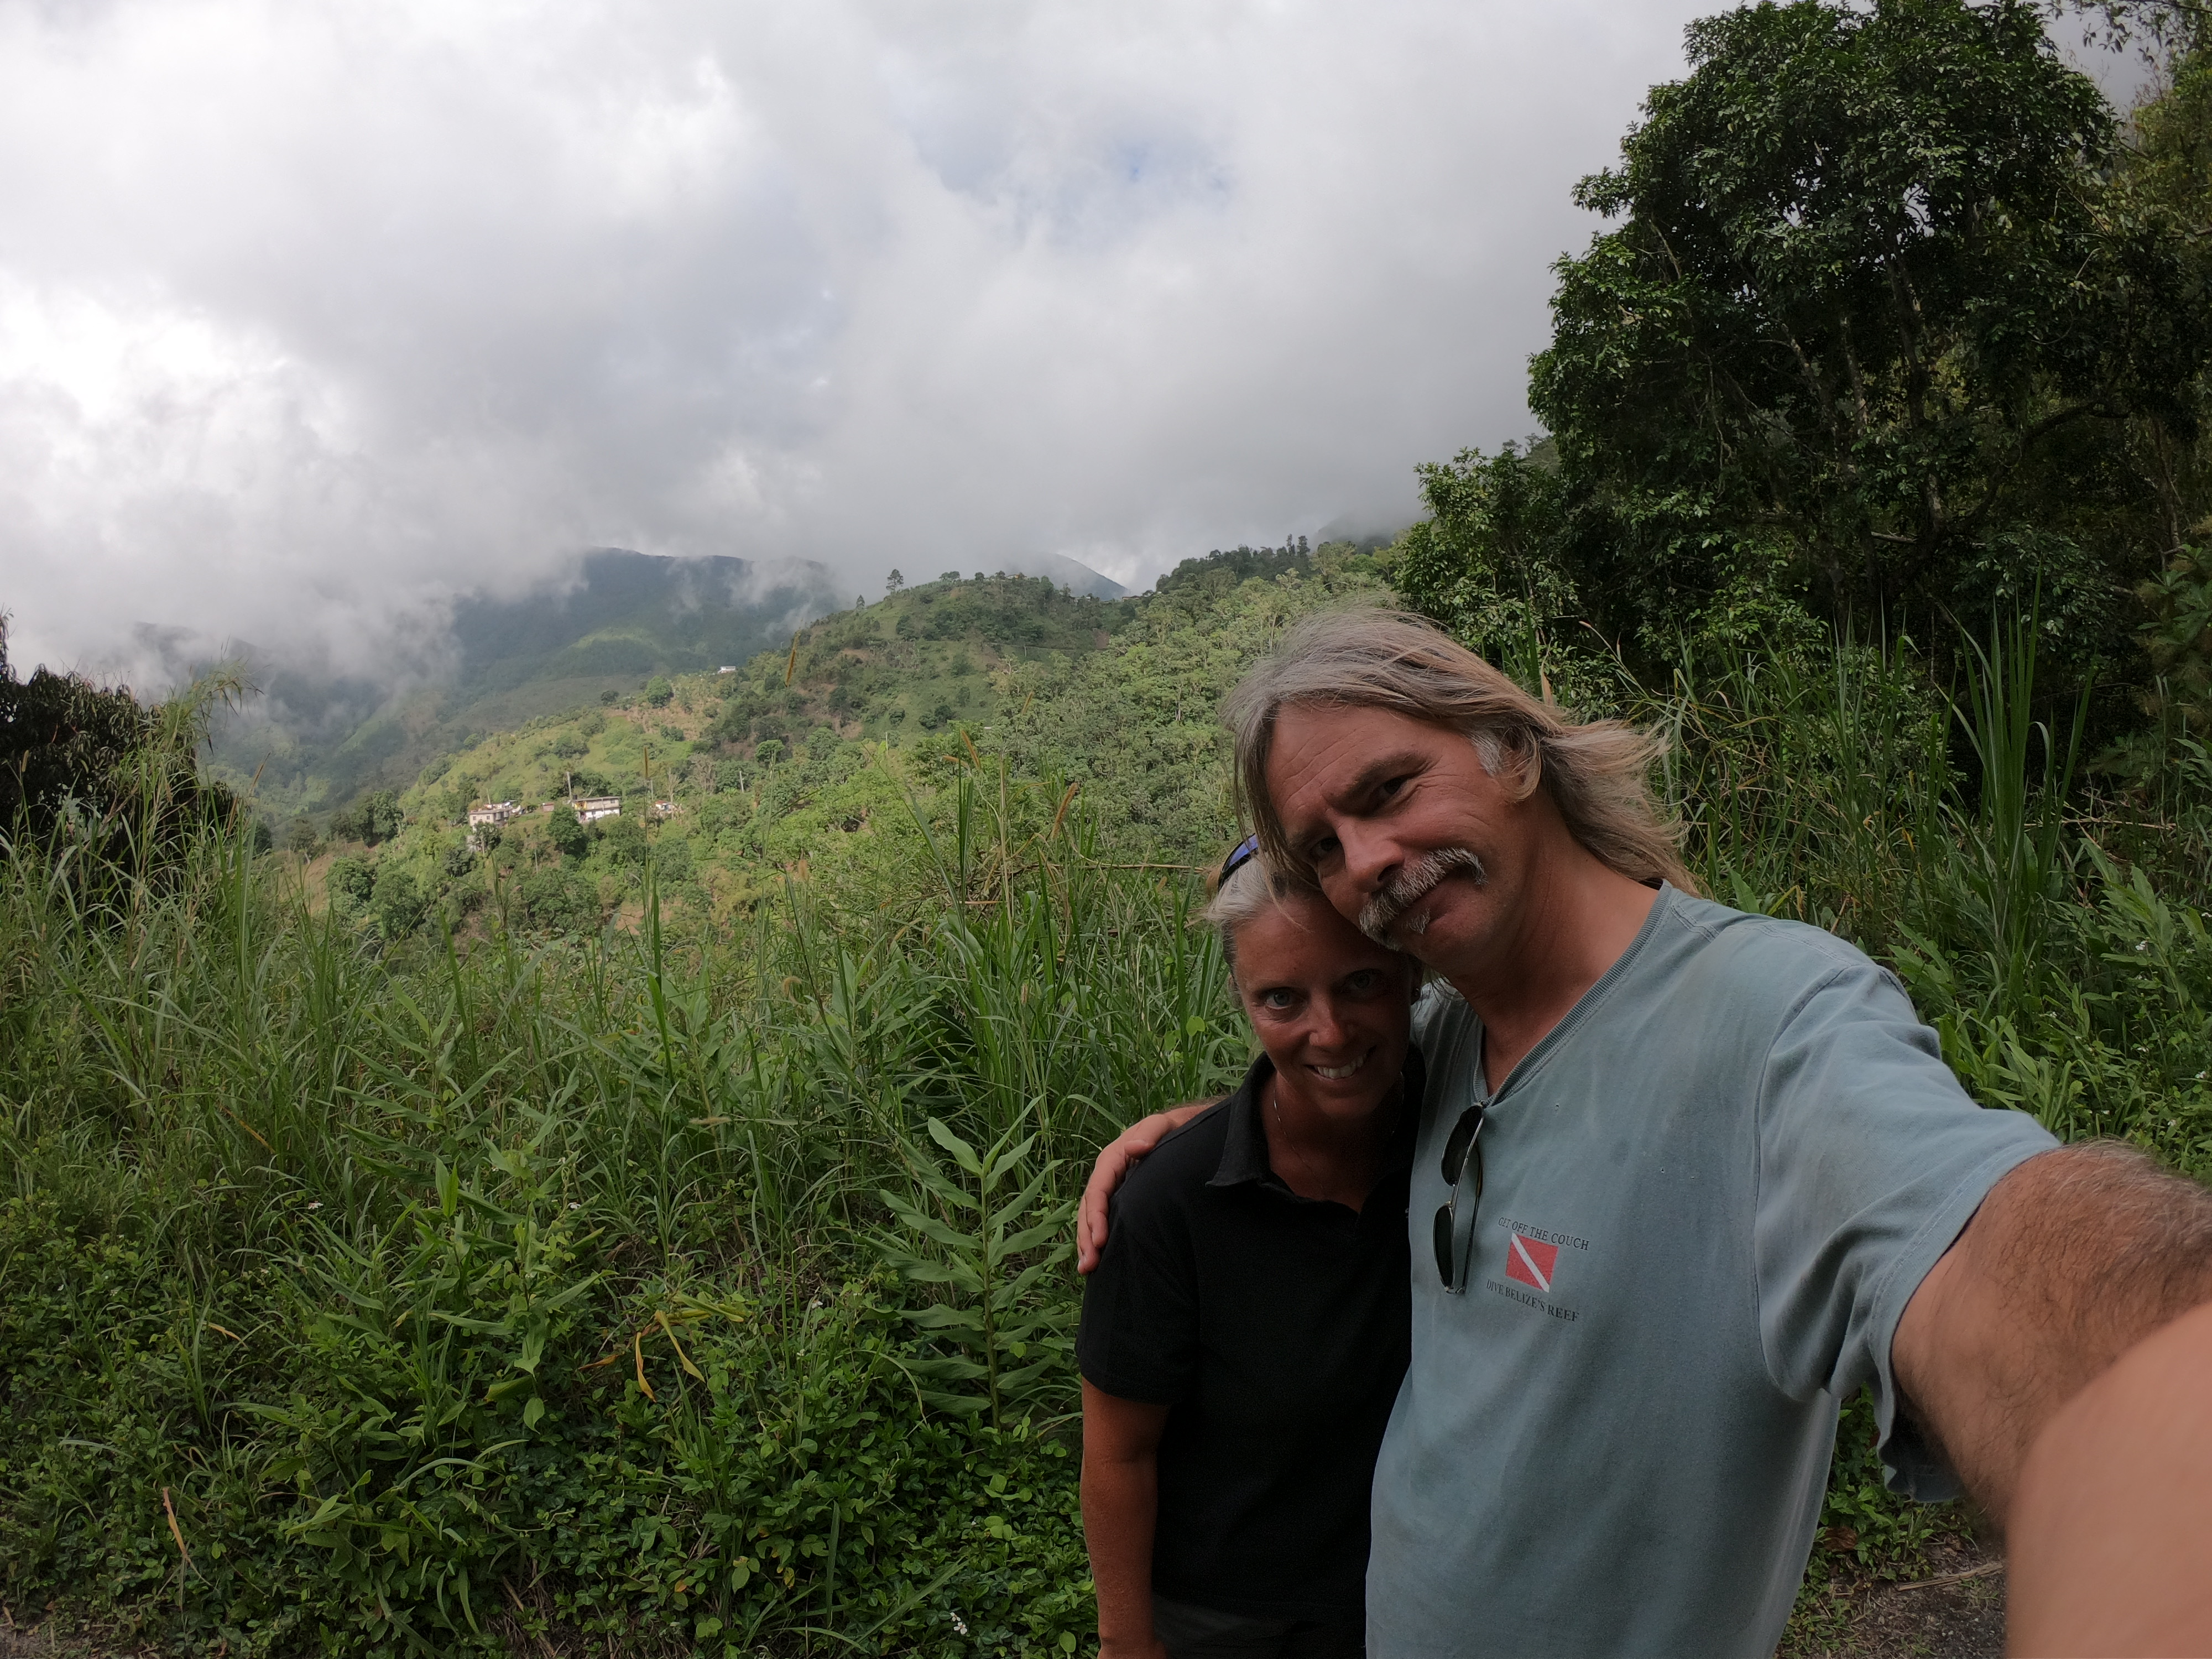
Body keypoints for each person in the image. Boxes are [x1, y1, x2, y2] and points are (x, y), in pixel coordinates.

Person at [1078, 608, 2212, 1657]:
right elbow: (1334, 1055)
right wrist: (1202, 1136)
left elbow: (1968, 1248)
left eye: (1387, 790)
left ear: (1511, 752)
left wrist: (2156, 1406)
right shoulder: (1443, 1036)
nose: (1365, 862)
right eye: (1322, 849)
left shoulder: (1775, 1024)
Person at [1080, 836, 1425, 1659]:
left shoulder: (1460, 1131)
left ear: (1412, 974)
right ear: (1241, 999)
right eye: (1281, 1000)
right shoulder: (1174, 1202)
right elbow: (1121, 1451)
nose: (1329, 1032)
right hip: (1222, 1615)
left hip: (1407, 1591)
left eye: (1362, 983)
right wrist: (1127, 1643)